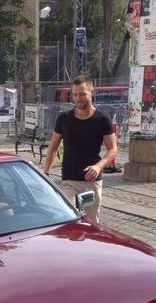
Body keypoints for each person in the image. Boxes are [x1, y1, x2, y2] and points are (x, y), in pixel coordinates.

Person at [43, 75, 117, 224]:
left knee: (90, 225)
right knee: (64, 220)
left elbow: (113, 149)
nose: (78, 98)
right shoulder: (64, 118)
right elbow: (53, 146)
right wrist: (45, 172)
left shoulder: (102, 119)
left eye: (82, 94)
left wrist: (98, 166)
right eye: (75, 94)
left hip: (91, 182)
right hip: (69, 181)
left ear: (92, 92)